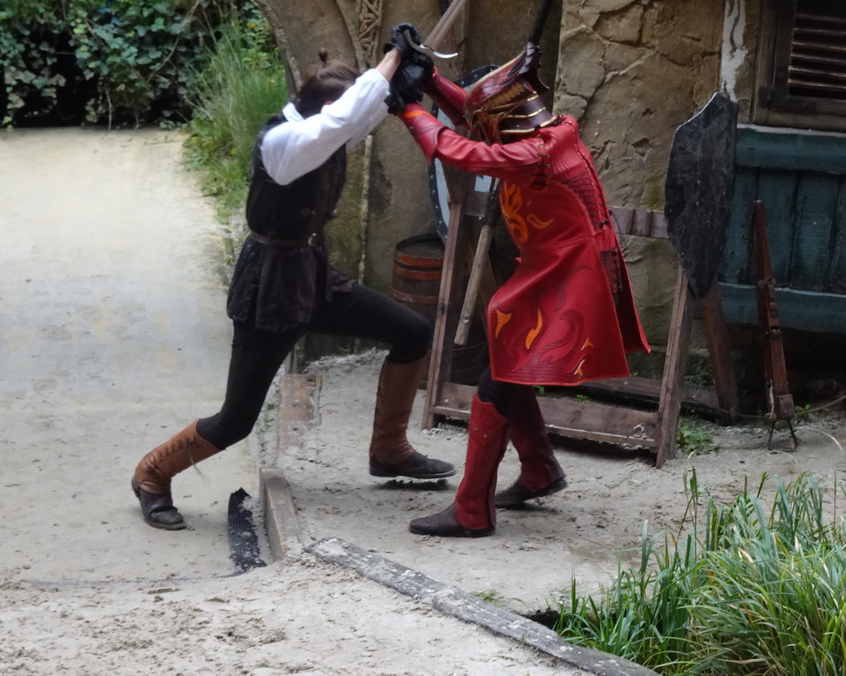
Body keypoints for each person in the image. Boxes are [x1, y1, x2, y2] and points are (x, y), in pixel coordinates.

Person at [131, 44, 456, 530]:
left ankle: (389, 450)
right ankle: (152, 475)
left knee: (411, 333)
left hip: (314, 277)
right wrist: (387, 61)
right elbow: (343, 121)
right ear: (324, 110)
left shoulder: (320, 131)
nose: (349, 121)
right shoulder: (283, 144)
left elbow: (354, 119)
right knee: (235, 422)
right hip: (270, 290)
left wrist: (392, 86)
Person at [388, 28, 649, 537]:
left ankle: (471, 511)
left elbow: (454, 150)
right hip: (559, 266)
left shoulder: (532, 154)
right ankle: (538, 468)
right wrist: (431, 78)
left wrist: (406, 109)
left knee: (496, 381)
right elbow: (479, 114)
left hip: (570, 277)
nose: (483, 125)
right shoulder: (546, 131)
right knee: (508, 362)